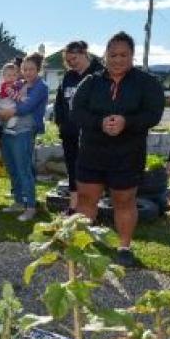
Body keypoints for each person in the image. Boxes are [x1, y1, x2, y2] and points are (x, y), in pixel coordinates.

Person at [71, 31, 164, 267]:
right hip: (92, 153)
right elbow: (77, 112)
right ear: (105, 55)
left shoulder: (147, 83)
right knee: (86, 199)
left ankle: (123, 247)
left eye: (123, 55)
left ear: (132, 55)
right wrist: (99, 123)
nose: (118, 59)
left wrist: (127, 122)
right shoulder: (90, 82)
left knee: (124, 201)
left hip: (127, 155)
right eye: (113, 55)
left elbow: (153, 114)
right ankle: (84, 245)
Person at [0, 52, 49, 222]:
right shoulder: (19, 83)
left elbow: (27, 107)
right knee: (12, 168)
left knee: (24, 169)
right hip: (8, 130)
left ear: (38, 70)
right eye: (25, 69)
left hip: (24, 131)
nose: (27, 72)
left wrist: (6, 113)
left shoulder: (41, 86)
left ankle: (30, 206)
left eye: (31, 69)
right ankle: (19, 201)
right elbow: (4, 95)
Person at [54, 41, 103, 213]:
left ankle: (91, 208)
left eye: (74, 58)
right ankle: (74, 206)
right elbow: (60, 103)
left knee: (91, 171)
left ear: (84, 53)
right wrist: (61, 123)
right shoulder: (68, 76)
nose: (72, 63)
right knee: (72, 168)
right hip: (69, 132)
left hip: (91, 134)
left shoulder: (99, 74)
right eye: (68, 60)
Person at [0, 63, 24, 133]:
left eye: (14, 75)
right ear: (4, 76)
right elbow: (12, 94)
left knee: (14, 116)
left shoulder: (15, 83)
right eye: (9, 75)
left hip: (10, 103)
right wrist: (21, 98)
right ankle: (7, 127)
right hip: (6, 103)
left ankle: (6, 127)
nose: (12, 77)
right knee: (14, 115)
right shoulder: (6, 85)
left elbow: (21, 86)